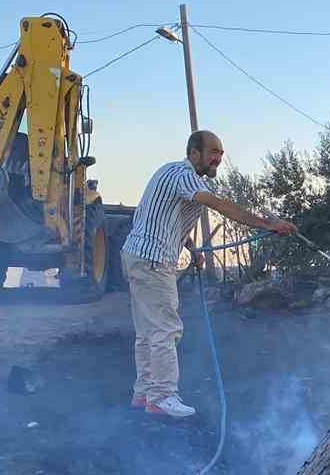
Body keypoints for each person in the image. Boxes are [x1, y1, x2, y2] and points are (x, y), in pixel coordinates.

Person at [122, 130, 296, 419]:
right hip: (153, 261)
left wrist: (190, 246)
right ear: (193, 153)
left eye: (221, 154)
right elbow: (217, 204)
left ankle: (143, 394)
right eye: (213, 152)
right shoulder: (183, 173)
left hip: (138, 256)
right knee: (165, 329)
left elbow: (160, 216)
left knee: (147, 332)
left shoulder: (172, 174)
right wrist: (266, 224)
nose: (218, 158)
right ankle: (162, 396)